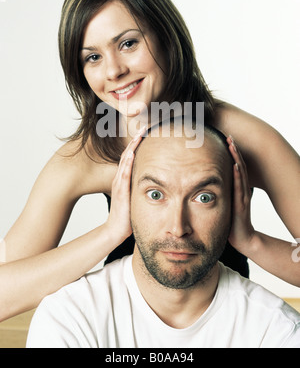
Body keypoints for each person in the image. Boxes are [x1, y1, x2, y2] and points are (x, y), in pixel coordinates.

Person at [1, 0, 299, 322]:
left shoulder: (246, 138)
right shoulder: (89, 153)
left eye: (127, 43)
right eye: (92, 57)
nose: (113, 71)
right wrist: (110, 233)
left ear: (164, 35)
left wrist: (251, 242)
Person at [26, 122, 300, 348]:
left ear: (236, 206)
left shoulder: (278, 331)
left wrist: (251, 240)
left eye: (204, 197)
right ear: (126, 200)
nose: (178, 228)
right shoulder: (69, 319)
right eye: (156, 195)